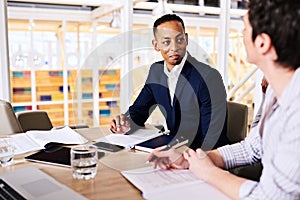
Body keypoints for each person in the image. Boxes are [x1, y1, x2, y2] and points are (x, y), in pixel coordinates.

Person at [148, 1, 300, 199]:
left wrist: (209, 172)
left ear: (262, 43)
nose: (242, 34)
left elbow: (271, 197)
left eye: (245, 27)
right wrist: (192, 159)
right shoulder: (275, 91)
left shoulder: (296, 113)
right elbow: (252, 147)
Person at [110, 14, 228, 150]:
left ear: (186, 39)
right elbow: (139, 112)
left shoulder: (209, 77)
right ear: (156, 45)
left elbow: (213, 139)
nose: (174, 47)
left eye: (179, 40)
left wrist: (184, 159)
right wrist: (125, 124)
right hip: (173, 150)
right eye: (166, 42)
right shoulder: (157, 71)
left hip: (200, 156)